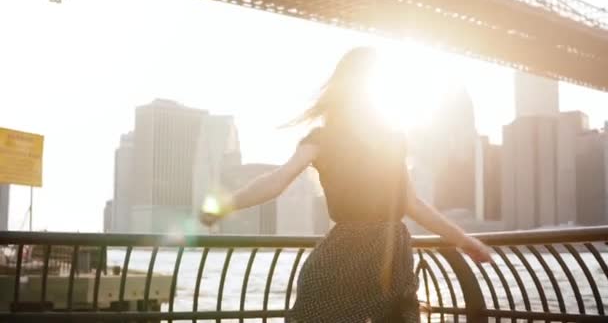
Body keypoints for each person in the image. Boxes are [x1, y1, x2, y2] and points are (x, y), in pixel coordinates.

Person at [199, 47, 492, 323]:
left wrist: (465, 241)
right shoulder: (324, 139)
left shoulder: (392, 139)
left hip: (385, 261)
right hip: (348, 259)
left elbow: (412, 204)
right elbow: (277, 180)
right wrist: (227, 204)